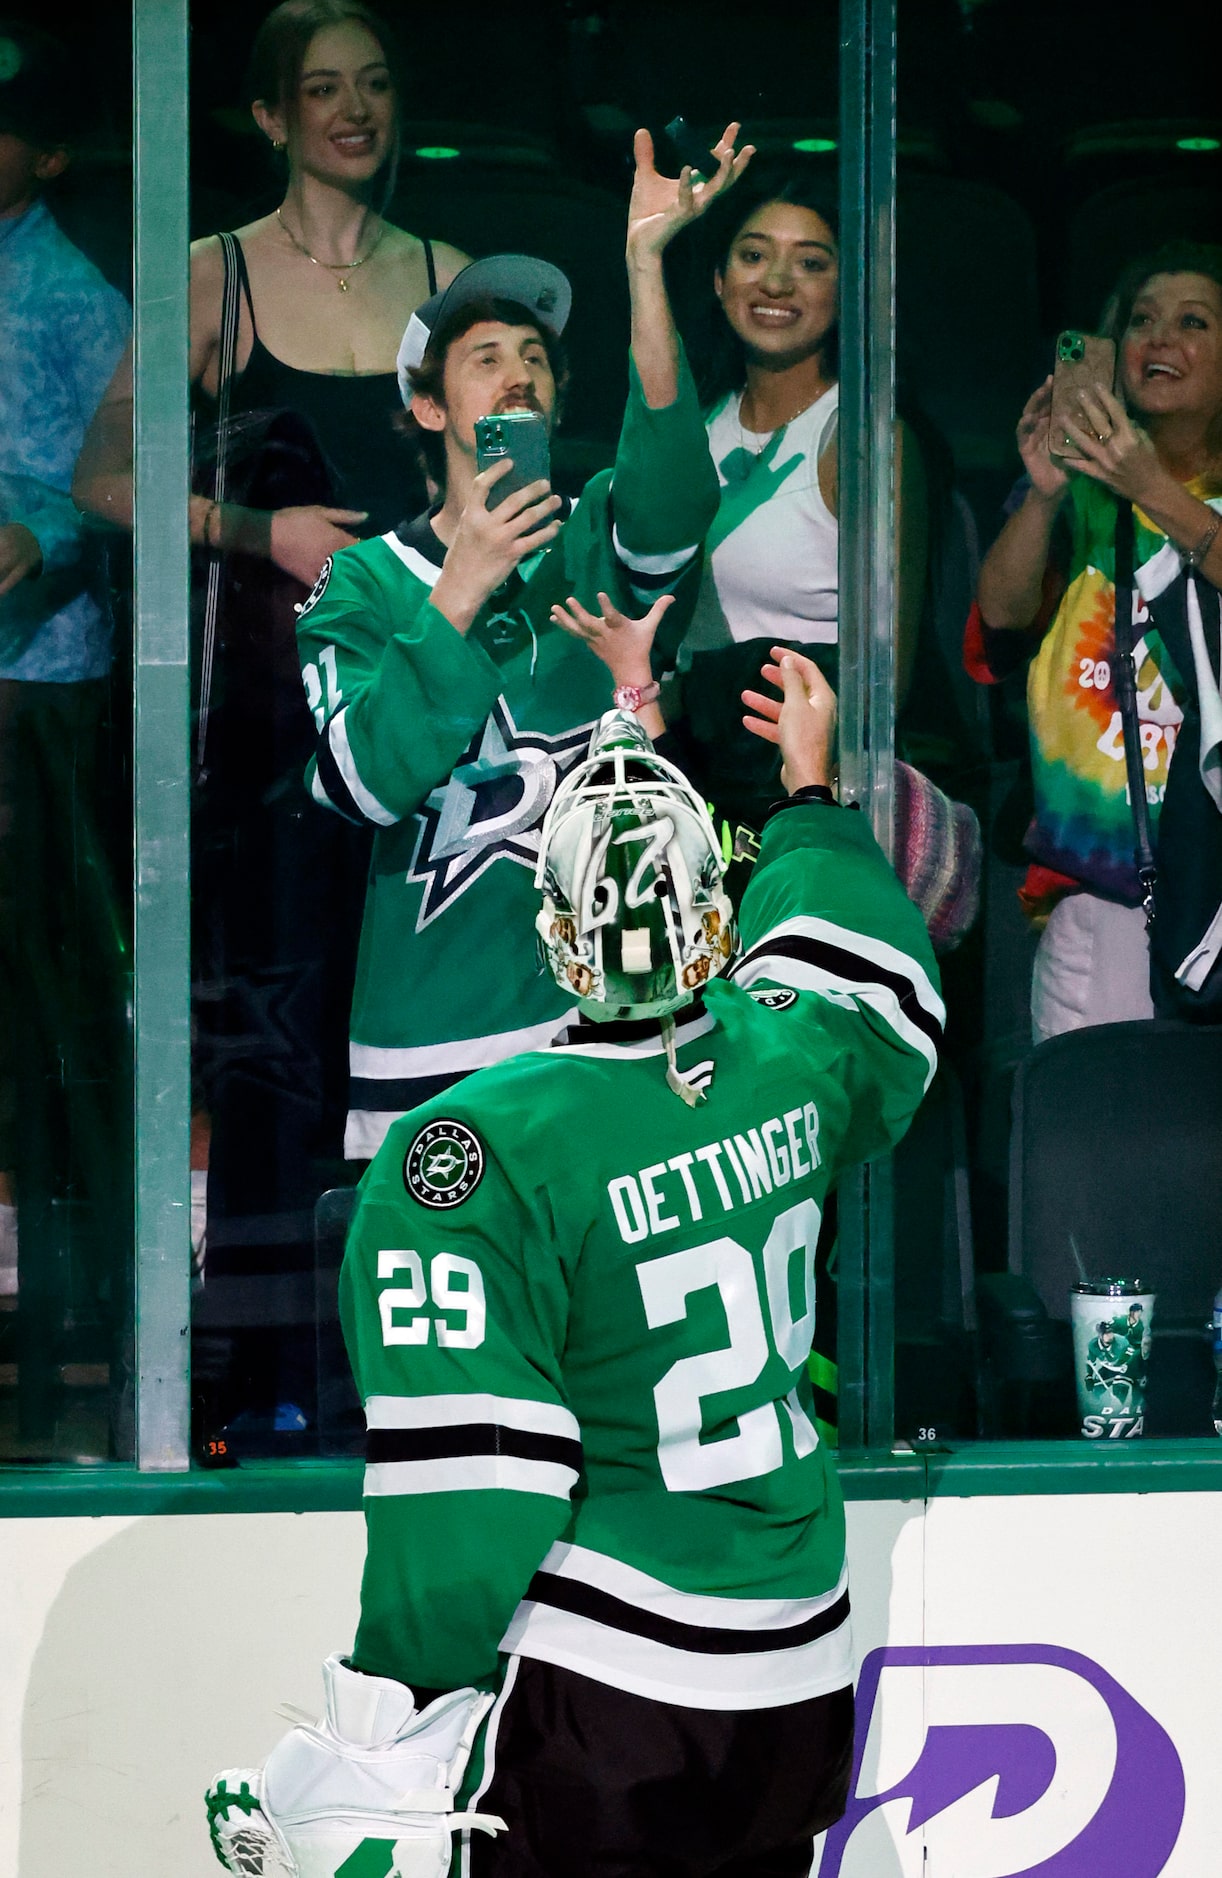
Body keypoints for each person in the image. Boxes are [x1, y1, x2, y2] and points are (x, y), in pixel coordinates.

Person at [205, 648, 944, 1878]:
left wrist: (388, 1716)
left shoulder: (477, 1151)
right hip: (797, 1684)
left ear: (551, 934)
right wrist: (808, 797)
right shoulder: (791, 1054)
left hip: (608, 1692)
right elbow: (870, 974)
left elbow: (473, 1483)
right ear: (720, 911)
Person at [72, 0, 471, 1444]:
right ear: (267, 116)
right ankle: (267, 1381)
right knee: (280, 1064)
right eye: (320, 90)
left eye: (371, 84)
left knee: (416, 1050)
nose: (351, 110)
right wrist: (258, 528)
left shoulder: (445, 279)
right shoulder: (210, 278)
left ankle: (413, 1364)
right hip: (267, 737)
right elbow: (100, 478)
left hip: (424, 724)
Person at [297, 125, 751, 1161]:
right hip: (433, 1036)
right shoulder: (361, 584)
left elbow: (675, 484)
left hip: (616, 1020)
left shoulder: (592, 533)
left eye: (535, 358)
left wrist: (644, 260)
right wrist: (459, 589)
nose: (517, 373)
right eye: (483, 358)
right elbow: (361, 784)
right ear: (424, 403)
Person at [968, 241, 1222, 1043]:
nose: (1159, 339)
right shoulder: (1078, 497)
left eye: (1193, 322)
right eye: (1141, 321)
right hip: (1104, 887)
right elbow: (1001, 622)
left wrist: (1148, 486)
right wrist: (1045, 497)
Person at [659, 165, 928, 849]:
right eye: (753, 256)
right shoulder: (693, 429)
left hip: (806, 802)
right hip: (690, 791)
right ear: (719, 280)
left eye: (810, 263)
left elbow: (885, 684)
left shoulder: (867, 441)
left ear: (846, 291)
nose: (775, 282)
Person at [0, 21, 130, 1311]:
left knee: (47, 1002)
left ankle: (77, 1291)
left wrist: (39, 528)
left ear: (44, 156)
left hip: (36, 682)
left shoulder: (80, 299)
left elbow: (119, 485)